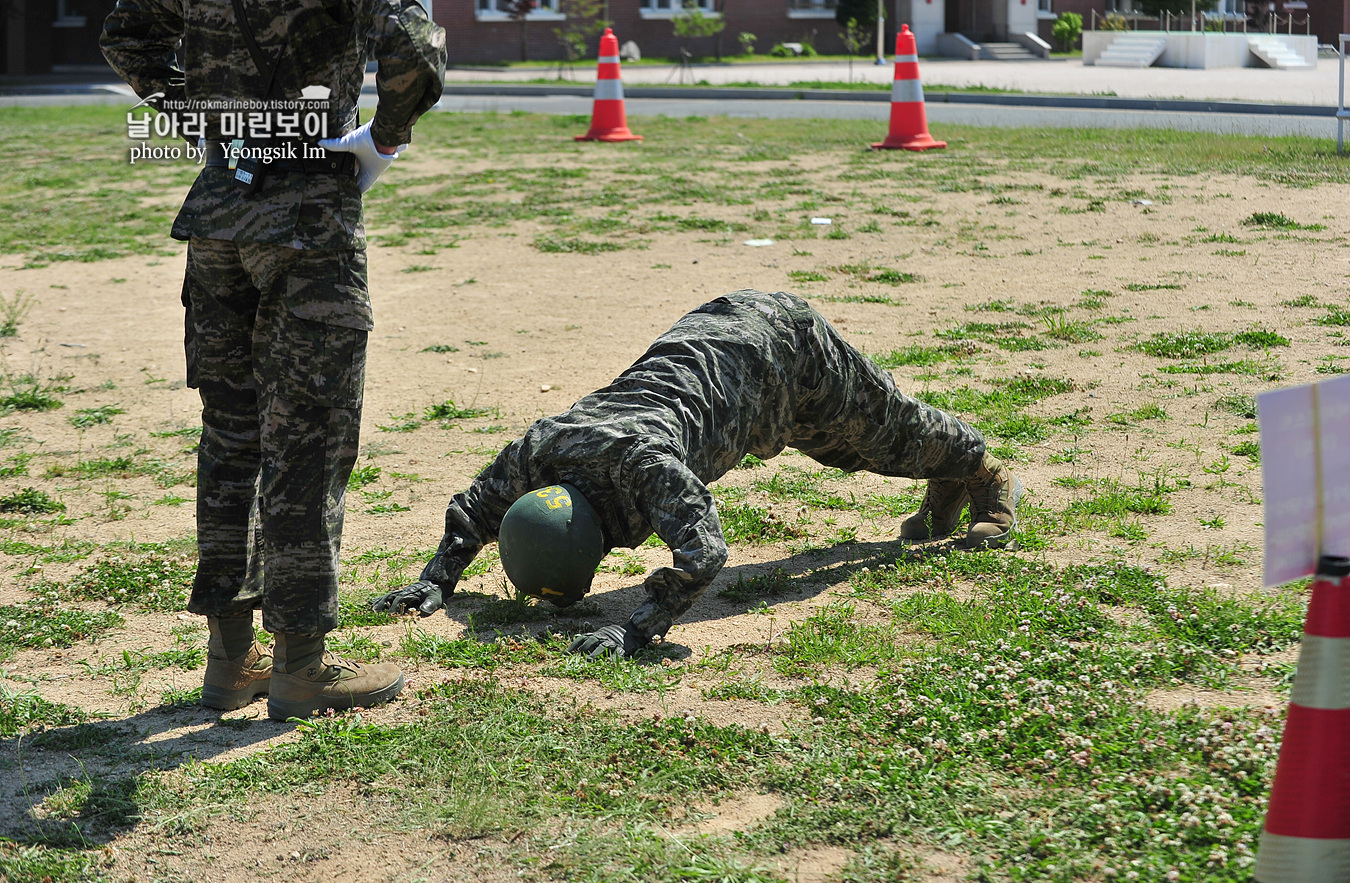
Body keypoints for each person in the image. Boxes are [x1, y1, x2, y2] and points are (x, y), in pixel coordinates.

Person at [101, 0, 446, 719]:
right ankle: (301, 666)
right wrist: (383, 139)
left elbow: (127, 34)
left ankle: (230, 660)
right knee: (309, 442)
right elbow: (413, 52)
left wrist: (207, 119)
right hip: (309, 217)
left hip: (219, 210)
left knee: (231, 438)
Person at [374, 289, 1022, 658]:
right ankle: (947, 475)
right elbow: (477, 507)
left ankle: (982, 473)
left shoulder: (645, 465)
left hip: (779, 348)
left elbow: (705, 553)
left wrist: (635, 627)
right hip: (719, 347)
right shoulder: (545, 446)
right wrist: (437, 581)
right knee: (857, 449)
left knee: (877, 434)